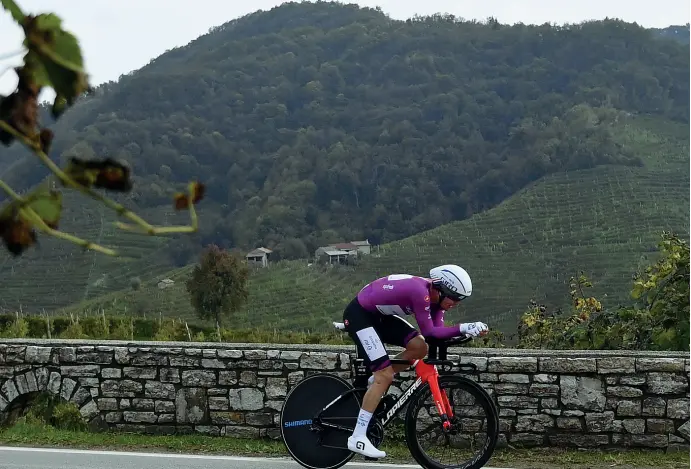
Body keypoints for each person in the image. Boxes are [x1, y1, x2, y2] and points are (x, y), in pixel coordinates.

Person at [342, 264, 488, 459]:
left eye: (460, 299)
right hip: (359, 315)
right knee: (384, 375)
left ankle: (374, 382)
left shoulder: (437, 301)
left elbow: (435, 335)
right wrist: (464, 327)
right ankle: (358, 437)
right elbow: (430, 332)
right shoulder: (420, 293)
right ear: (441, 289)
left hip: (379, 317)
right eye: (454, 297)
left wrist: (468, 332)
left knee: (420, 348)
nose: (456, 303)